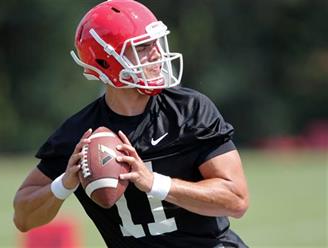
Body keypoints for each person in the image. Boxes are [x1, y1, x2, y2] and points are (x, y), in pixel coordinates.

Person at [13, 0, 250, 247]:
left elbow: (236, 199)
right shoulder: (80, 136)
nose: (157, 53)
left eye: (155, 42)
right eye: (143, 46)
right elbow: (23, 217)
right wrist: (64, 183)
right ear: (106, 61)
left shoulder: (189, 111)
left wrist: (154, 183)